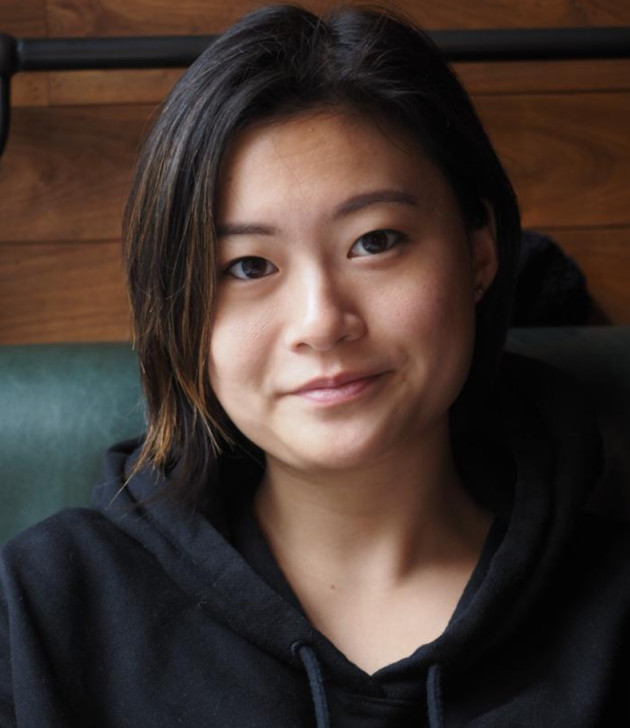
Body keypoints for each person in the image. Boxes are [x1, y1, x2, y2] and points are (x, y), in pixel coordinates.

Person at [1, 5, 629, 727]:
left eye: (376, 241)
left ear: (479, 252)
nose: (322, 322)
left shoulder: (613, 612)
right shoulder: (45, 608)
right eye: (247, 266)